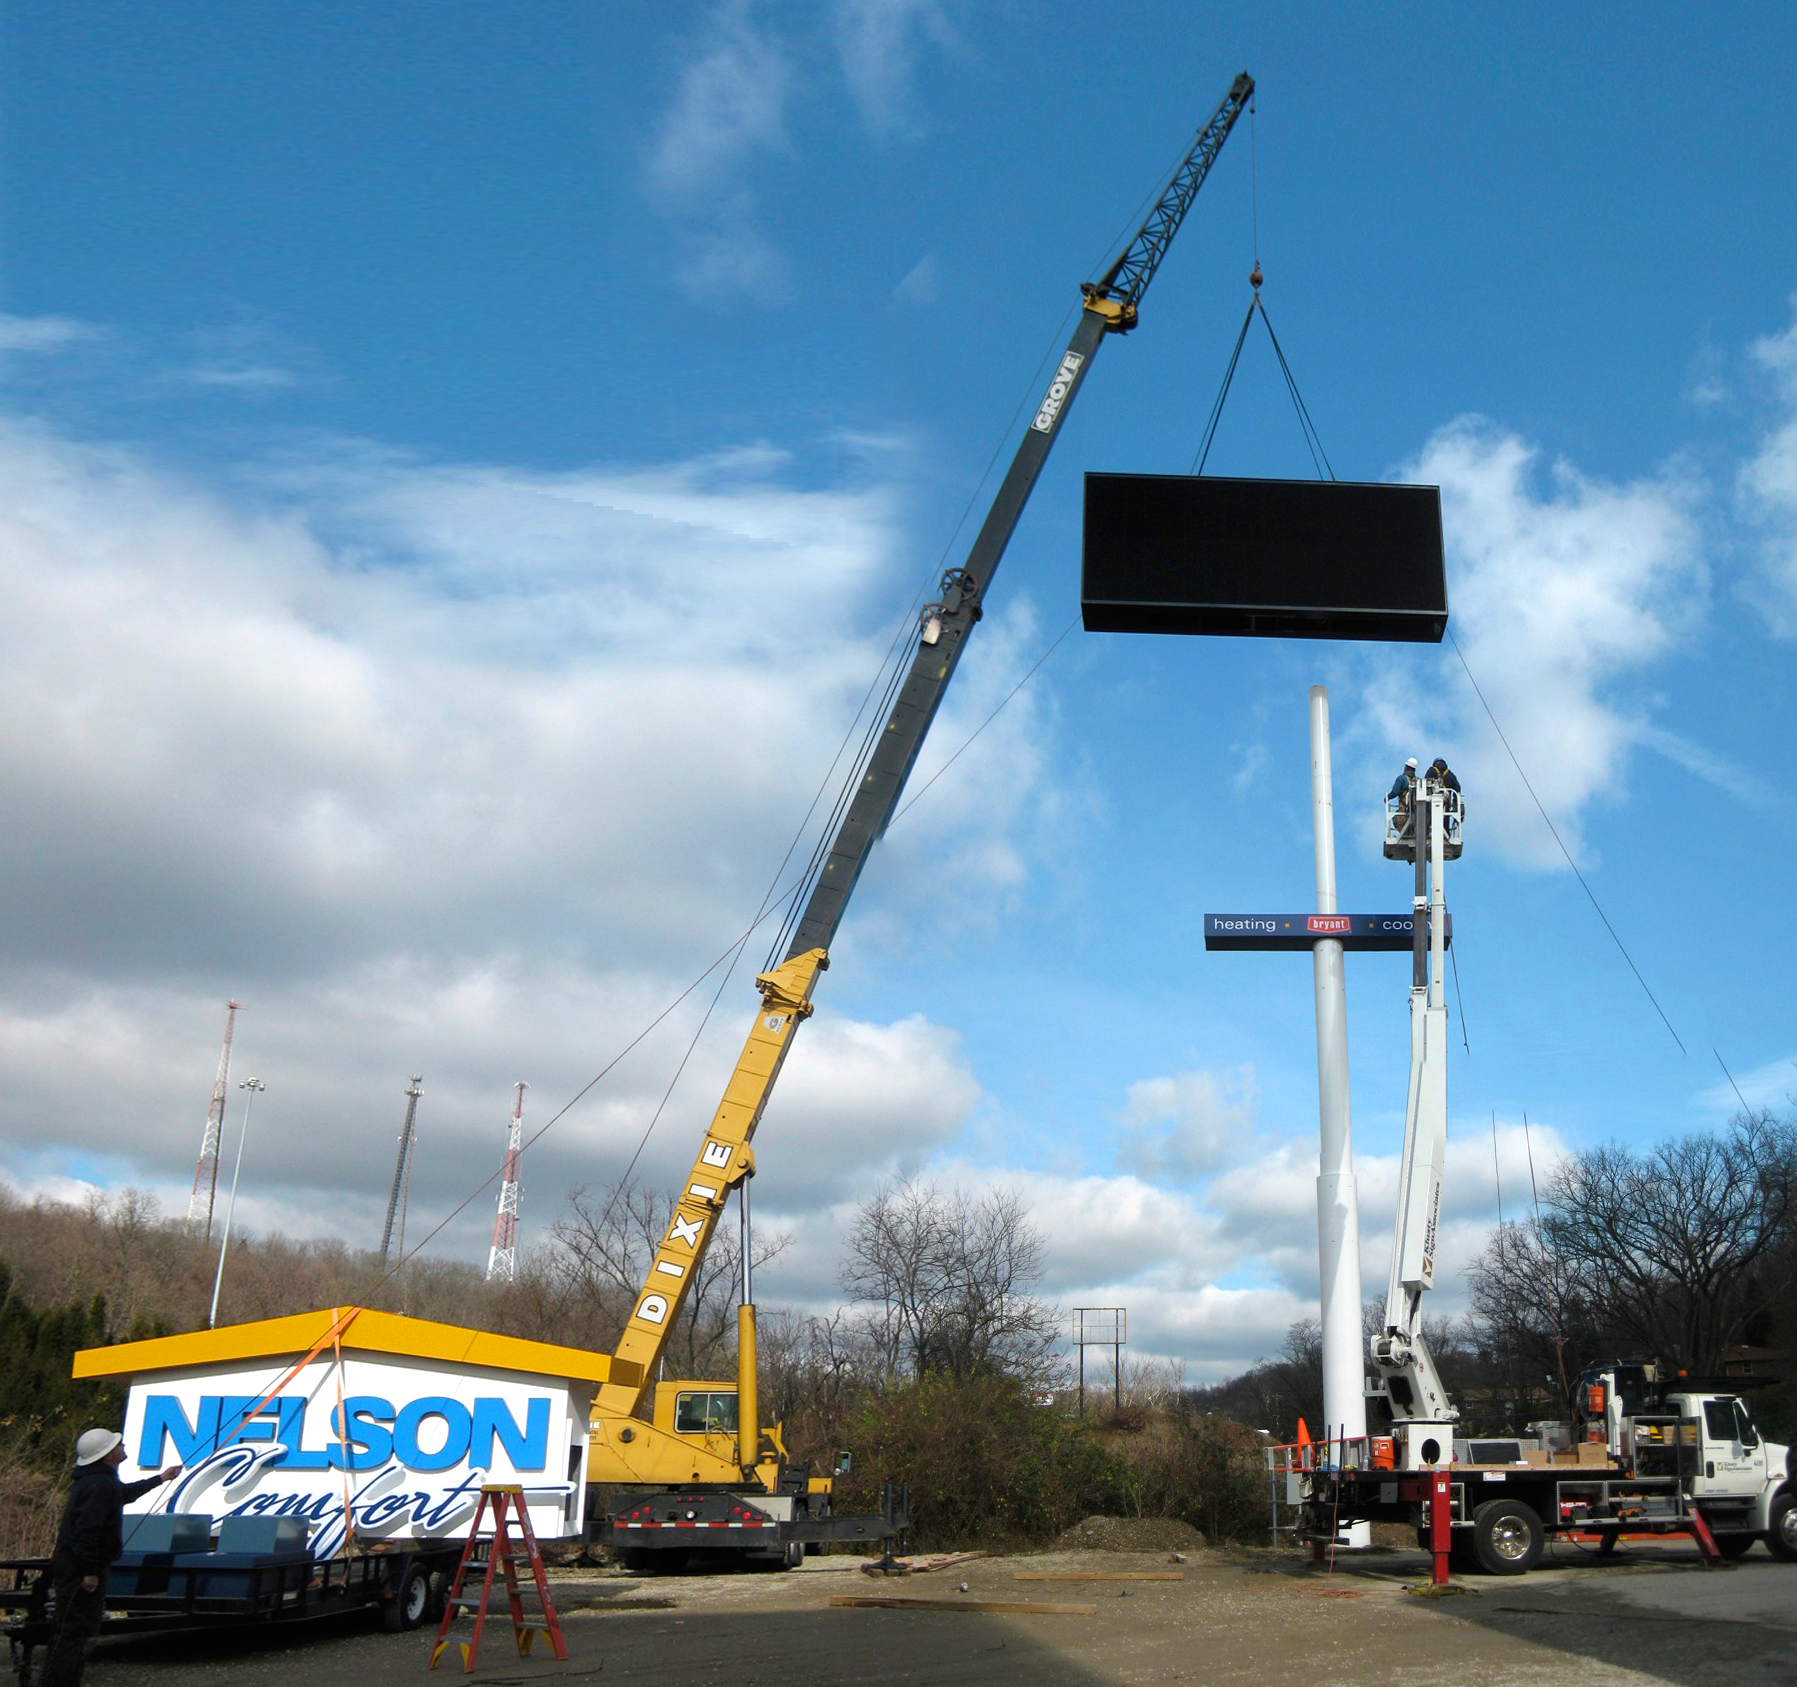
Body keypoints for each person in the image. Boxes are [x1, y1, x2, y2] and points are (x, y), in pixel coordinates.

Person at [43, 1429, 181, 1687]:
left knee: (75, 1629)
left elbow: (124, 1494)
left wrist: (161, 1478)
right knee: (74, 1631)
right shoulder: (99, 1485)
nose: (123, 1446)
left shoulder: (99, 1481)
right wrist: (90, 1570)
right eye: (117, 1445)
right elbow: (87, 1530)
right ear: (107, 1455)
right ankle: (59, 1681)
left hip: (76, 1563)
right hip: (78, 1567)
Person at [1386, 757, 1419, 833]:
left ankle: (1405, 833)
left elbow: (1395, 792)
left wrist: (1387, 797)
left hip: (1404, 809)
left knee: (1397, 819)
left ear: (1406, 767)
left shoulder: (1401, 779)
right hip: (1417, 811)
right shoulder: (1419, 781)